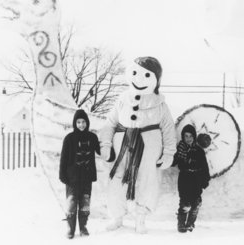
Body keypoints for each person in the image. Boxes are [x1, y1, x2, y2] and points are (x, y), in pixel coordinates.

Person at [100, 56, 176, 234]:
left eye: (146, 75)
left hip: (149, 151)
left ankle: (140, 218)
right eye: (135, 73)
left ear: (156, 79)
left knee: (147, 181)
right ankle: (117, 216)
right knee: (116, 179)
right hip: (122, 149)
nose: (139, 79)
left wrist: (169, 153)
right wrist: (105, 145)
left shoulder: (160, 104)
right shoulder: (122, 100)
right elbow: (109, 123)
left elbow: (168, 129)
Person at [59, 109, 100, 239]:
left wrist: (110, 153)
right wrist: (62, 175)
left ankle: (83, 228)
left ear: (87, 122)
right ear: (75, 123)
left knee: (85, 204)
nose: (81, 124)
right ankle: (71, 229)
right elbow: (63, 159)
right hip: (72, 178)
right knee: (71, 204)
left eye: (83, 122)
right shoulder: (69, 138)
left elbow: (101, 151)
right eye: (78, 122)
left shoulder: (92, 138)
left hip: (86, 178)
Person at [173, 124, 211, 233]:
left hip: (196, 179)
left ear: (194, 137)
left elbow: (204, 167)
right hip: (185, 179)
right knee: (185, 204)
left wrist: (205, 180)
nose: (188, 139)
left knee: (196, 203)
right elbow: (173, 162)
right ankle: (181, 224)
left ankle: (190, 224)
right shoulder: (180, 149)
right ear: (183, 137)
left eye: (190, 136)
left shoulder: (199, 150)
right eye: (186, 136)